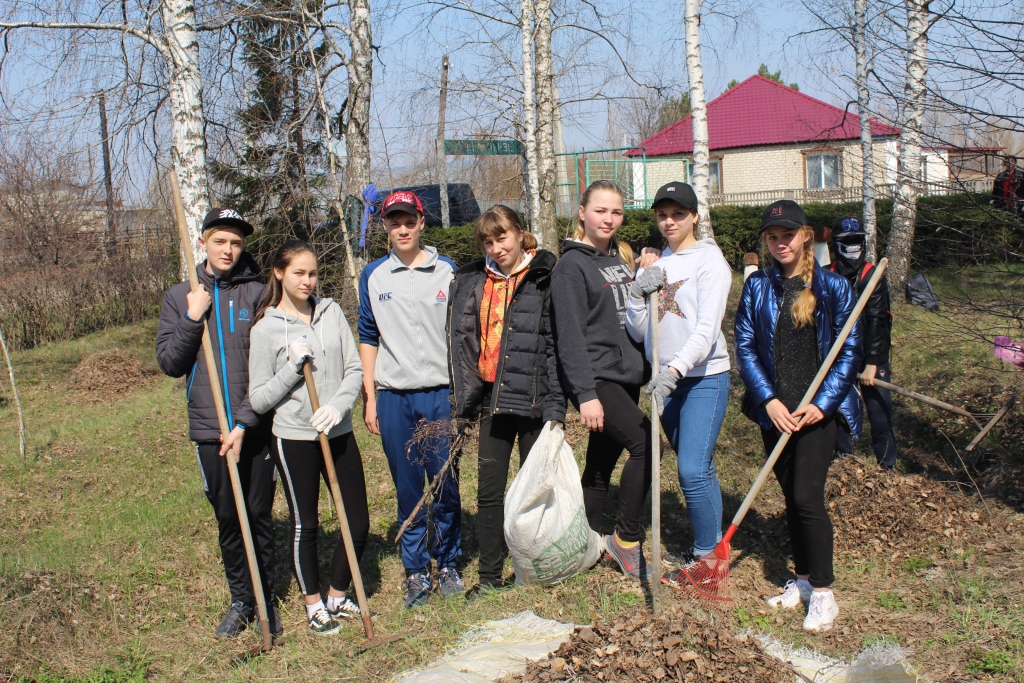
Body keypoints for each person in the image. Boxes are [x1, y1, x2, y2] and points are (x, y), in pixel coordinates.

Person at [734, 199, 862, 633]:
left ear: (805, 235)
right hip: (777, 411)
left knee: (807, 496)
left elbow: (848, 352)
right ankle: (804, 580)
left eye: (787, 235)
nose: (779, 243)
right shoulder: (757, 287)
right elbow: (746, 346)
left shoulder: (831, 287)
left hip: (816, 412)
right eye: (772, 237)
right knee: (791, 496)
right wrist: (768, 400)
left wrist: (822, 404)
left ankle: (824, 593)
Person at [155, 208, 280, 639]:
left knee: (259, 514)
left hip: (255, 425)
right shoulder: (180, 296)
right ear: (204, 242)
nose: (228, 250)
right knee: (228, 515)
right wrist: (193, 316)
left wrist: (246, 420)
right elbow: (171, 363)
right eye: (220, 241)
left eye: (236, 243)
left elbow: (270, 368)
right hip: (210, 428)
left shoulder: (260, 294)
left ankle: (266, 598)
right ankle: (242, 600)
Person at [248, 240, 367, 636]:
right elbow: (260, 399)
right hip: (295, 436)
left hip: (338, 429)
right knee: (307, 524)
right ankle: (314, 604)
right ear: (279, 273)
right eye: (298, 272)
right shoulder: (266, 328)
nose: (307, 280)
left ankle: (337, 593)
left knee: (358, 520)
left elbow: (354, 369)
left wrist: (338, 405)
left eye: (313, 273)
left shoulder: (331, 312)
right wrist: (291, 368)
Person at [447, 205, 565, 597]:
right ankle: (489, 578)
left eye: (502, 238)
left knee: (535, 490)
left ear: (519, 233)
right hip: (492, 401)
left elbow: (554, 343)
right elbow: (463, 340)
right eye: (488, 241)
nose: (497, 248)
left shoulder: (545, 275)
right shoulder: (473, 280)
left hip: (533, 400)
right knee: (489, 491)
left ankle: (538, 567)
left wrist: (555, 406)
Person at [358, 191, 463, 608]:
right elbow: (368, 335)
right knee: (408, 487)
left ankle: (449, 562)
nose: (401, 228)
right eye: (393, 221)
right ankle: (416, 571)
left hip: (440, 394)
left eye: (409, 220)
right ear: (384, 226)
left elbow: (461, 333)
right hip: (394, 397)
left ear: (422, 222)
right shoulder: (374, 276)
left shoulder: (447, 271)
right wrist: (370, 396)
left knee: (444, 483)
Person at [624, 182, 732, 584]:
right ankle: (710, 546)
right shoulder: (660, 263)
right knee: (700, 468)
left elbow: (706, 329)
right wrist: (638, 292)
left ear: (695, 217)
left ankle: (709, 564)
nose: (669, 222)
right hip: (662, 381)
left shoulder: (710, 261)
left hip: (702, 377)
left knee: (690, 469)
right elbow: (640, 332)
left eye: (678, 214)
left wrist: (675, 370)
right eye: (662, 215)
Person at [551, 179, 653, 579]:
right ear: (582, 213)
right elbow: (570, 336)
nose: (608, 219)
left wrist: (645, 269)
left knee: (599, 464)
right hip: (599, 378)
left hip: (625, 375)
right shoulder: (571, 267)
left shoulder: (618, 256)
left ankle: (583, 542)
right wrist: (586, 394)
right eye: (600, 211)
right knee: (647, 446)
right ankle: (625, 541)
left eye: (616, 212)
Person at [829, 217, 897, 469]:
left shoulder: (873, 276)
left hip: (871, 357)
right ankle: (843, 467)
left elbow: (879, 321)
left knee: (879, 415)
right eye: (846, 242)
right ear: (835, 245)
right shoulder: (827, 275)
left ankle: (887, 467)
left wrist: (872, 362)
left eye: (857, 240)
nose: (853, 246)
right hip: (838, 359)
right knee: (841, 414)